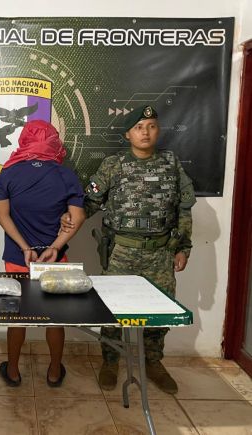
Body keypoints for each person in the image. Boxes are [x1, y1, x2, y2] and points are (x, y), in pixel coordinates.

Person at [62, 105, 195, 394]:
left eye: (151, 126)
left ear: (158, 130)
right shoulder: (113, 165)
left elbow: (183, 209)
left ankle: (153, 362)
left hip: (161, 253)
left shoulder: (171, 163)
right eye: (139, 127)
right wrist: (69, 218)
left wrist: (184, 248)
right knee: (112, 310)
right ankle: (110, 362)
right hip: (121, 252)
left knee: (159, 312)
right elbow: (90, 203)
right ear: (127, 134)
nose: (145, 132)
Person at [0, 120, 85, 388]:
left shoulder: (8, 173)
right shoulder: (66, 175)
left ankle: (13, 370)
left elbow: (3, 216)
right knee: (55, 317)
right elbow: (77, 217)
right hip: (55, 259)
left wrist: (25, 247)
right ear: (55, 141)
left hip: (17, 258)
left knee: (16, 316)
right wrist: (55, 247)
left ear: (24, 140)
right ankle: (54, 371)